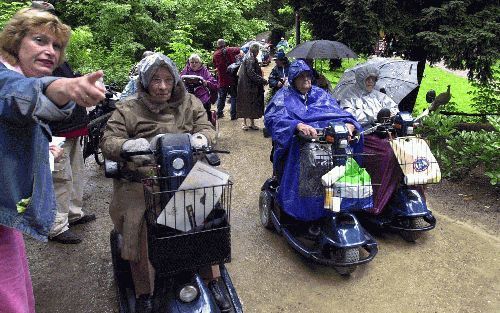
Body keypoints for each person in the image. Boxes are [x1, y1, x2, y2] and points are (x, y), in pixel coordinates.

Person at [100, 53, 230, 313]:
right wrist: (128, 146)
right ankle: (144, 291)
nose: (162, 86)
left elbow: (206, 126)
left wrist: (202, 139)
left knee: (205, 219)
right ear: (146, 82)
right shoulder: (128, 108)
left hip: (183, 173)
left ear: (175, 81)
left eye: (167, 80)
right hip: (142, 179)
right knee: (139, 223)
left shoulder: (189, 102)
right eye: (156, 80)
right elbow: (108, 141)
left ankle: (211, 277)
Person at [0, 7, 105, 313]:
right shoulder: (8, 79)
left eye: (56, 46)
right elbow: (18, 93)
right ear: (15, 42)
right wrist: (66, 86)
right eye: (39, 41)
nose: (50, 52)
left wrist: (40, 147)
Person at [30, 0, 97, 244]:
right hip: (54, 130)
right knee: (58, 178)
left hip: (72, 127)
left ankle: (73, 213)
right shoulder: (31, 55)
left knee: (76, 173)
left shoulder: (54, 52)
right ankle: (56, 226)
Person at [264, 59, 360, 221]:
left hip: (326, 143)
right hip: (299, 144)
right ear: (293, 79)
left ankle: (336, 204)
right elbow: (274, 119)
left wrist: (349, 124)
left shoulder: (320, 94)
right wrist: (297, 125)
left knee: (343, 164)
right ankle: (303, 209)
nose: (306, 79)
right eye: (301, 76)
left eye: (308, 75)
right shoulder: (283, 96)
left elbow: (337, 112)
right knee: (308, 165)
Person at [340, 64, 401, 215]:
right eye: (368, 79)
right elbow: (348, 116)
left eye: (373, 79)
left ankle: (397, 192)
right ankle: (375, 199)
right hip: (363, 135)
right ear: (361, 79)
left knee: (404, 151)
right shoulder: (350, 95)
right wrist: (373, 117)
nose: (371, 82)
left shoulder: (379, 95)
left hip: (384, 134)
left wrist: (392, 116)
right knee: (387, 154)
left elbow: (393, 109)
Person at [236, 43, 268, 130]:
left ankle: (251, 123)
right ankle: (245, 123)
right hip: (247, 85)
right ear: (256, 51)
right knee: (247, 103)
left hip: (247, 85)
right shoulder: (250, 59)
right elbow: (251, 73)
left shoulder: (249, 58)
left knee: (251, 103)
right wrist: (262, 80)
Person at [180, 53, 218, 121]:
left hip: (202, 96)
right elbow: (179, 81)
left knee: (206, 105)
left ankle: (208, 122)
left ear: (199, 63)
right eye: (192, 62)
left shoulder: (204, 70)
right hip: (188, 95)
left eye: (196, 62)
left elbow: (213, 82)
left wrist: (206, 82)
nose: (194, 64)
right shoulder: (186, 70)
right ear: (189, 62)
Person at [212, 39, 242, 120]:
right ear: (225, 44)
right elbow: (239, 50)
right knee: (233, 97)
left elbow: (215, 65)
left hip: (222, 79)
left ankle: (219, 113)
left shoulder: (215, 54)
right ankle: (233, 115)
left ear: (217, 45)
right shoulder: (230, 50)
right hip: (232, 78)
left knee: (222, 97)